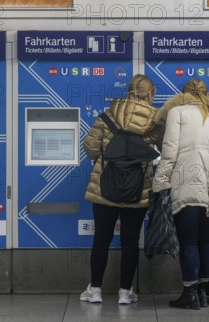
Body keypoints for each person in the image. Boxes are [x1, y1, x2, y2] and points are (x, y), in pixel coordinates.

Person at [152, 78, 209, 310]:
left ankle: (189, 294)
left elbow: (169, 151)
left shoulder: (177, 112)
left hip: (188, 181)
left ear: (183, 94)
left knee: (188, 241)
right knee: (206, 240)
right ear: (207, 94)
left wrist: (160, 182)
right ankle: (201, 293)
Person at [80, 74, 163, 305]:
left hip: (104, 188)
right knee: (130, 241)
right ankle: (125, 292)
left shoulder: (107, 116)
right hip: (138, 190)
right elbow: (165, 148)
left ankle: (95, 290)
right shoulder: (154, 121)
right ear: (150, 94)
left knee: (101, 239)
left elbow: (90, 149)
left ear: (128, 92)